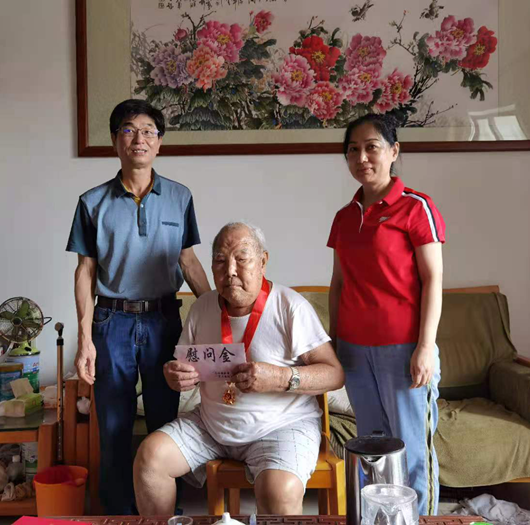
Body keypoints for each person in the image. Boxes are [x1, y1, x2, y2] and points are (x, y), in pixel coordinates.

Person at [133, 222, 345, 515]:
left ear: (263, 262)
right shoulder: (202, 307)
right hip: (211, 425)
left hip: (281, 426)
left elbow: (334, 374)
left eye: (241, 259)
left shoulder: (290, 306)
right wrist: (175, 376)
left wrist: (281, 377)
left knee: (279, 492)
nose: (230, 270)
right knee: (150, 459)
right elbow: (183, 368)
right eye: (220, 261)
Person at [66, 99, 211, 515]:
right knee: (113, 426)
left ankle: (165, 515)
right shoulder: (92, 202)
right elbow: (85, 271)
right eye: (129, 130)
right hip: (112, 321)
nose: (139, 139)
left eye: (149, 131)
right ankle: (118, 514)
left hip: (165, 319)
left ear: (159, 142)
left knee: (167, 427)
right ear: (116, 140)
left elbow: (188, 261)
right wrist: (84, 340)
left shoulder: (180, 197)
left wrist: (218, 313)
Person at [328, 114, 445, 516]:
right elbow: (338, 284)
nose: (362, 157)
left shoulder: (416, 207)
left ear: (393, 151)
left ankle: (420, 521)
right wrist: (334, 343)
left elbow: (433, 279)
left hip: (403, 350)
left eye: (371, 147)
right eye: (353, 150)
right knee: (372, 452)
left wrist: (425, 347)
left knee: (410, 452)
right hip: (355, 352)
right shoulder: (345, 217)